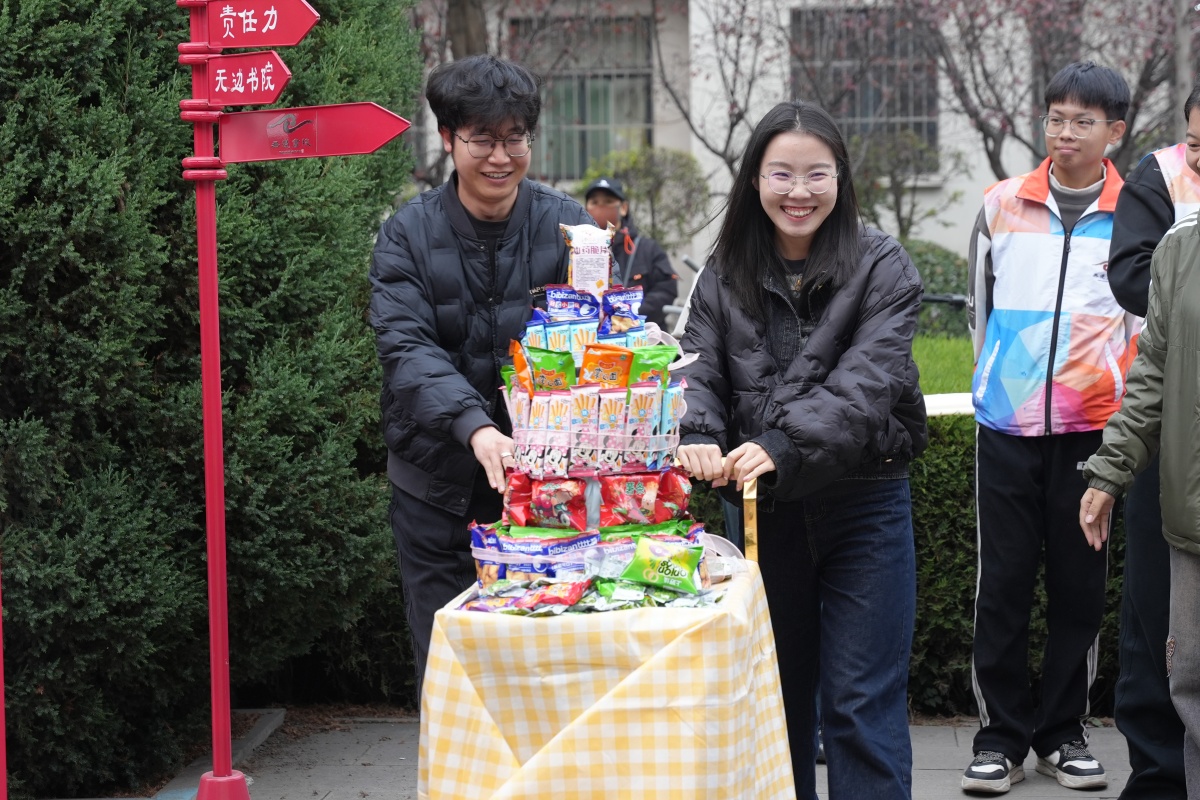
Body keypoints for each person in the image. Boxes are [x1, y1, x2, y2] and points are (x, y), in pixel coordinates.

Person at [676, 100, 927, 800]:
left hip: (866, 504)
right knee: (771, 701)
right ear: (755, 179)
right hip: (763, 511)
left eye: (817, 174)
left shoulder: (883, 265)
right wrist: (697, 436)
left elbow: (865, 387)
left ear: (840, 178)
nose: (799, 191)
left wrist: (780, 443)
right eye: (781, 173)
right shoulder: (722, 270)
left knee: (861, 704)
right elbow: (696, 368)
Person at [369, 55, 592, 695]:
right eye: (483, 140)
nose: (501, 157)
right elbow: (406, 348)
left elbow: (601, 341)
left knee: (544, 674)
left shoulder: (569, 227)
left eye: (515, 138)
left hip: (547, 492)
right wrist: (475, 426)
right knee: (451, 674)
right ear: (448, 138)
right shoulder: (406, 235)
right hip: (435, 486)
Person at [962, 61, 1132, 794]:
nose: (1065, 133)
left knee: (1078, 587)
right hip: (1005, 427)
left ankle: (1063, 733)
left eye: (1083, 121)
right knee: (1000, 584)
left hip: (1094, 433)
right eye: (1056, 118)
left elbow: (1143, 327)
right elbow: (978, 310)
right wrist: (1001, 384)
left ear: (1114, 131)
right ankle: (998, 738)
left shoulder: (1136, 215)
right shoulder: (1001, 204)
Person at [1096, 81, 1200, 800]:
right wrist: (1109, 471)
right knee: (1176, 667)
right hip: (1181, 495)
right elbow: (1153, 369)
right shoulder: (1178, 244)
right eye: (1195, 143)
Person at [583, 176, 679, 328]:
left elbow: (666, 290)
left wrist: (631, 315)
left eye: (608, 202)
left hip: (642, 337)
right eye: (594, 203)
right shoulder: (576, 253)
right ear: (586, 208)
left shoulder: (648, 249)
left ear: (623, 208)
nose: (600, 208)